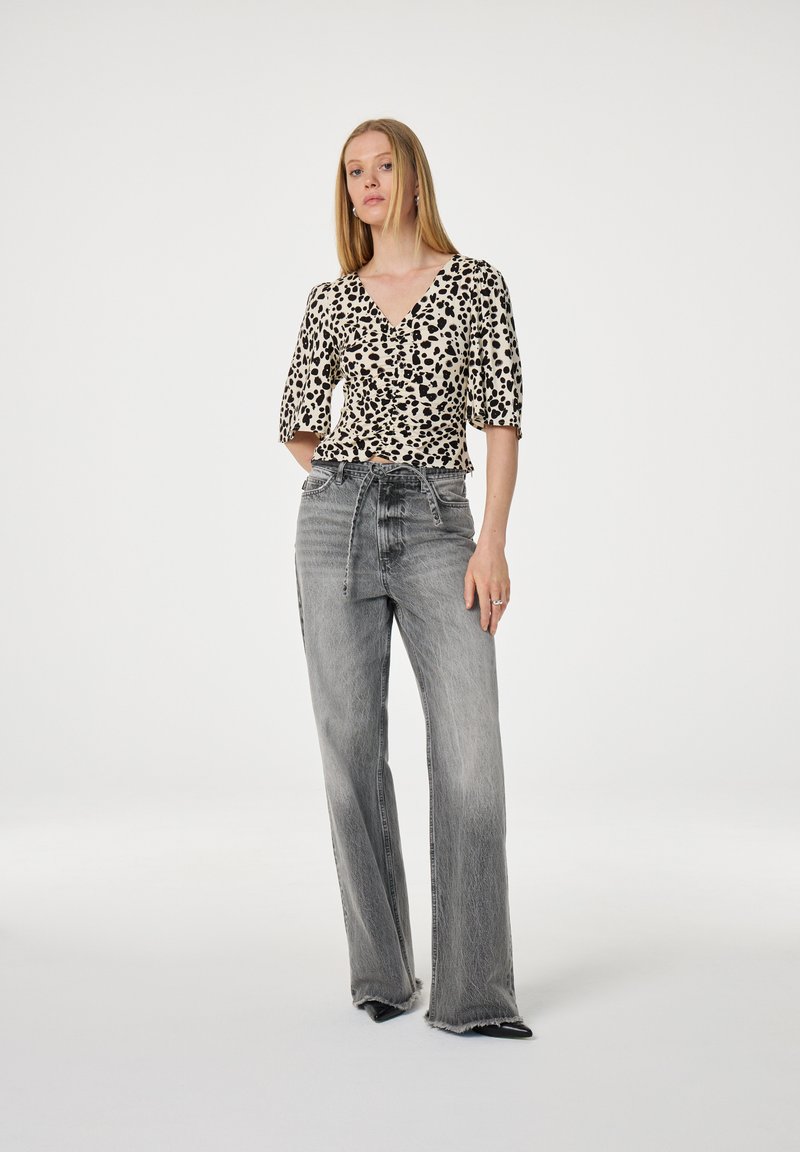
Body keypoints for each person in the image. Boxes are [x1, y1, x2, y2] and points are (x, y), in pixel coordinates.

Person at [278, 117, 532, 1039]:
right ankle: (382, 975)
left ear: (414, 176)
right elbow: (297, 421)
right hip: (335, 521)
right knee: (349, 751)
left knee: (470, 756)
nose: (370, 182)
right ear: (346, 193)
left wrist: (490, 542)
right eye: (355, 172)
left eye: (384, 165)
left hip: (439, 522)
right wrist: (345, 484)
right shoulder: (332, 299)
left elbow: (501, 421)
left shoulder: (475, 284)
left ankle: (473, 996)